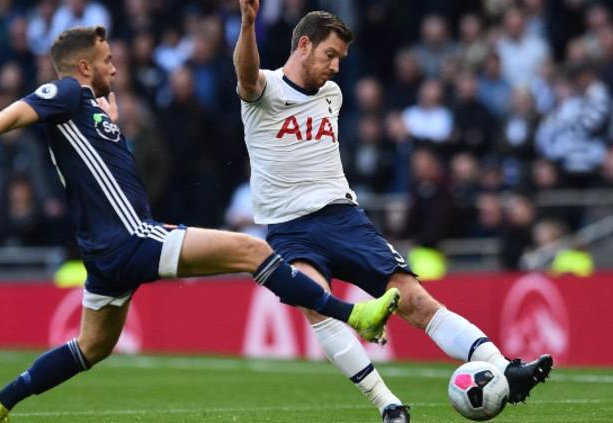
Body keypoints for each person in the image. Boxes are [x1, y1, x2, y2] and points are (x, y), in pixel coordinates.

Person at [0, 26, 401, 423]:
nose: (114, 67)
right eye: (106, 60)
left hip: (104, 253)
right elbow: (11, 113)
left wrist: (111, 125)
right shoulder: (64, 93)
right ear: (84, 67)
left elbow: (99, 168)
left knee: (92, 347)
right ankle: (352, 315)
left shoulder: (88, 112)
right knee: (254, 252)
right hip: (131, 235)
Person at [233, 2, 553, 422]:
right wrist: (249, 23)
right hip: (289, 230)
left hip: (343, 218)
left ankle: (506, 369)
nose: (335, 67)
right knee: (318, 306)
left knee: (414, 298)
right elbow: (245, 73)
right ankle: (389, 405)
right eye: (330, 55)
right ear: (304, 45)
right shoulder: (264, 89)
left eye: (341, 59)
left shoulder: (332, 95)